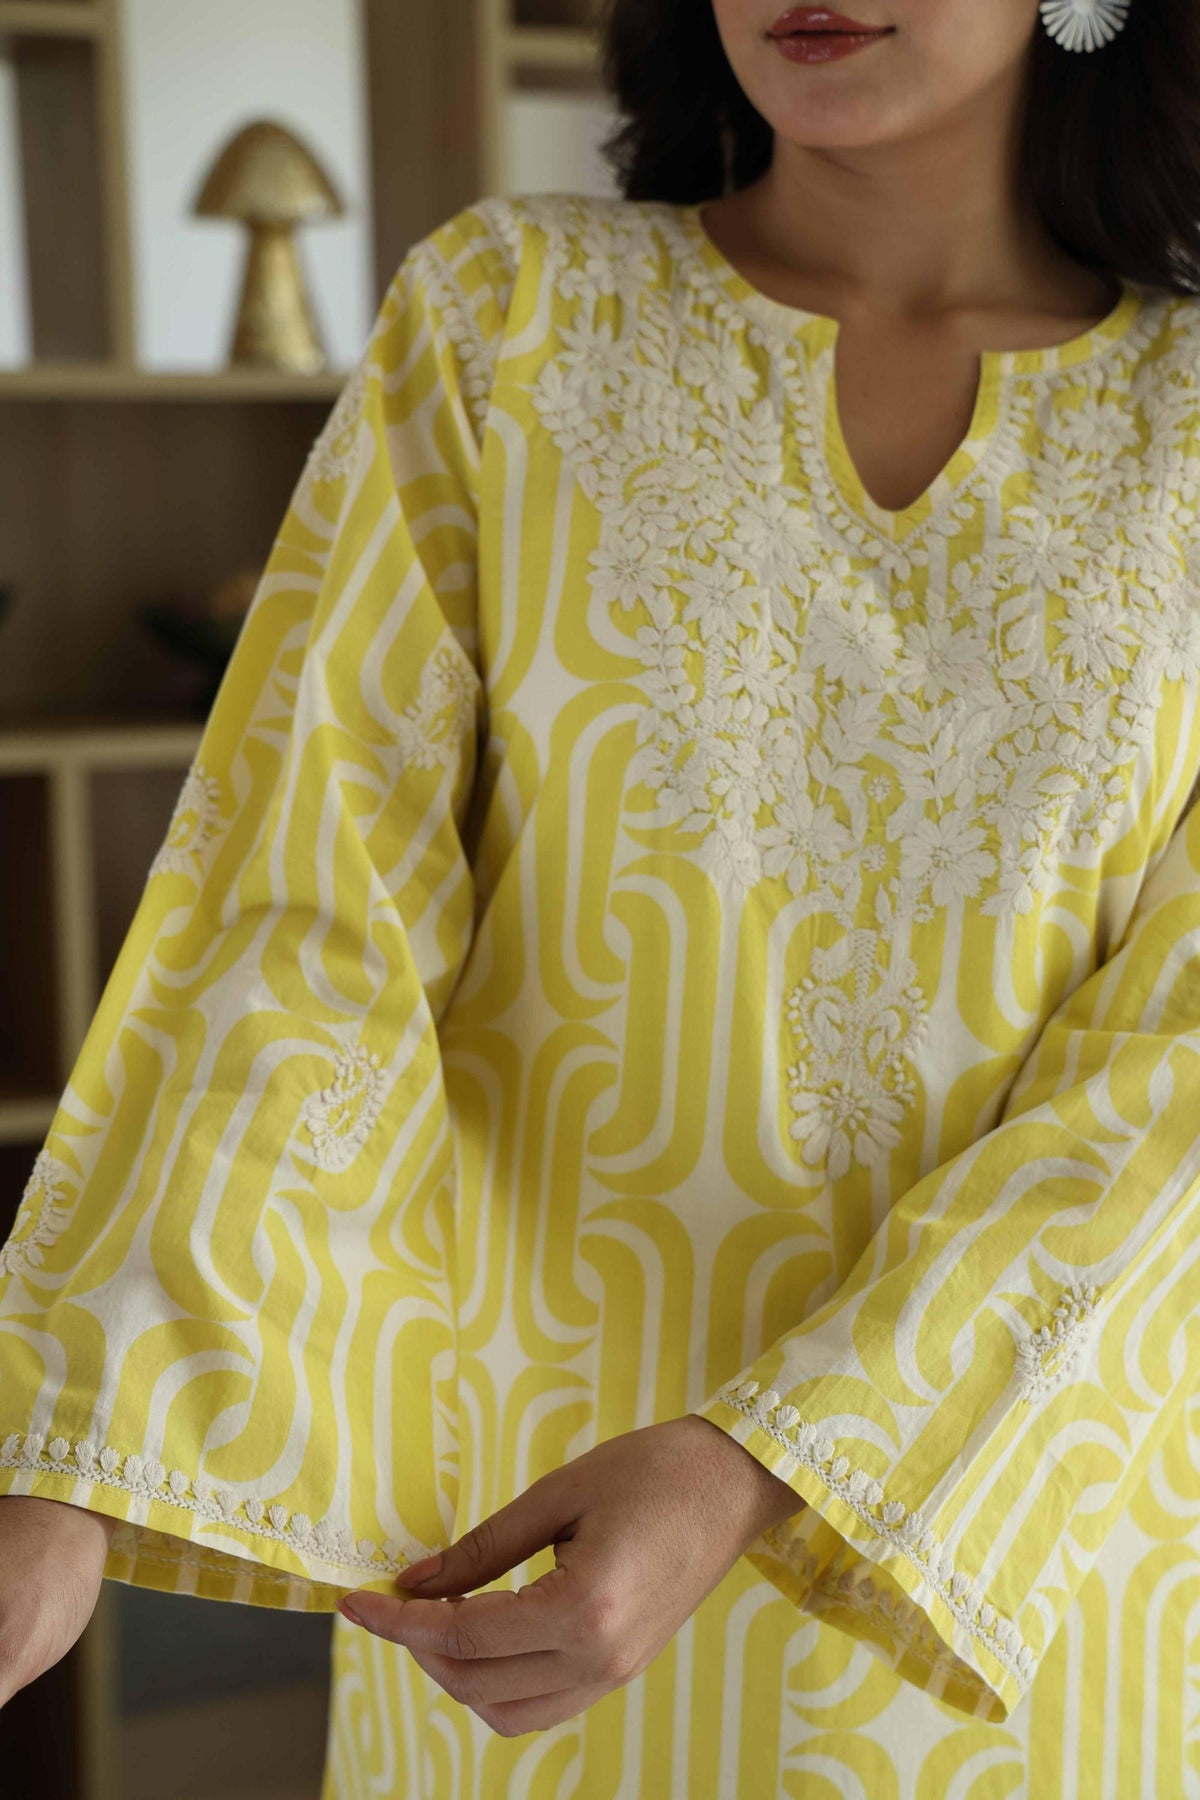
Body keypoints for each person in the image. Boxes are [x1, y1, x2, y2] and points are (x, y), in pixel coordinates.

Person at [2, 0, 1198, 1790]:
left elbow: (1174, 1089)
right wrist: (64, 1465)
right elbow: (303, 914)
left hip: (1007, 1588)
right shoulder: (511, 321)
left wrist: (760, 1461)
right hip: (521, 1576)